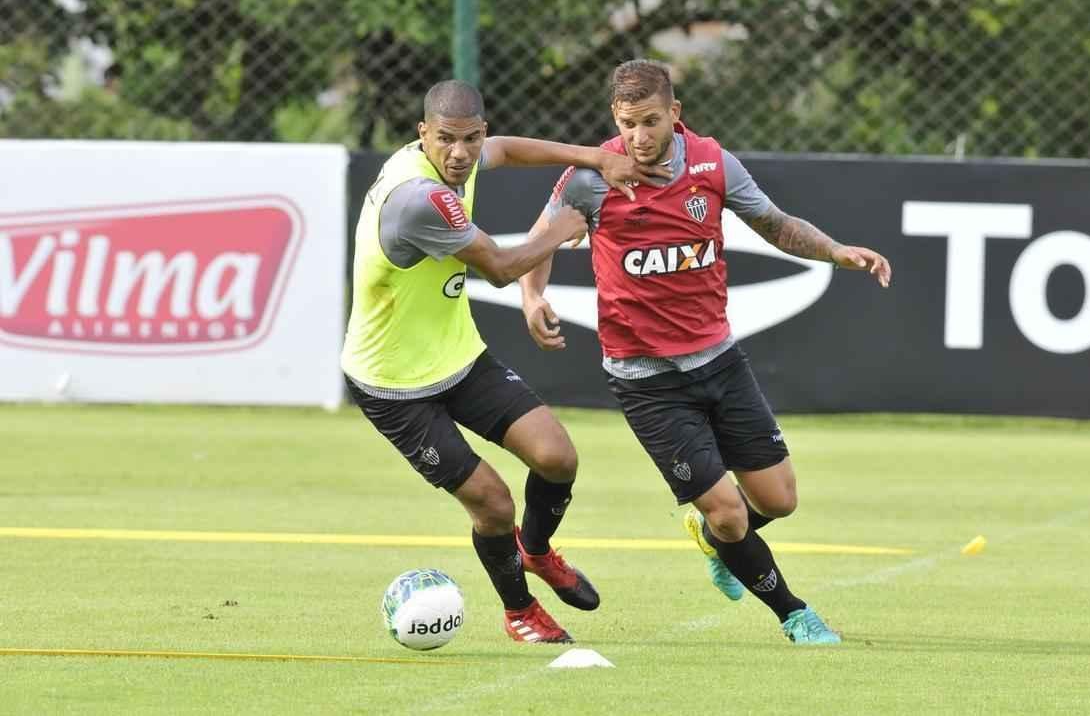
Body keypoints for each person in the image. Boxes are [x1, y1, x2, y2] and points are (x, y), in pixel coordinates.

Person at [519, 60, 892, 645]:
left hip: (719, 360)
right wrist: (532, 293)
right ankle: (795, 614)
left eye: (649, 121)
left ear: (675, 113)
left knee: (779, 499)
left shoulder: (713, 163)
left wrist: (838, 251)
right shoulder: (594, 175)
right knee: (728, 510)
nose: (638, 137)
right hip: (646, 381)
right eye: (626, 123)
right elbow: (542, 237)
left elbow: (774, 225)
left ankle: (719, 542)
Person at [341, 79, 670, 644]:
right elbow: (498, 266)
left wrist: (595, 158)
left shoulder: (459, 162)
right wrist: (568, 224)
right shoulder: (419, 199)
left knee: (557, 457)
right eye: (446, 140)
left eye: (471, 139)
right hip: (394, 384)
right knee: (493, 503)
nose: (460, 153)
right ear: (423, 135)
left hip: (458, 357)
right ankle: (520, 612)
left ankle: (536, 551)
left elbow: (511, 150)